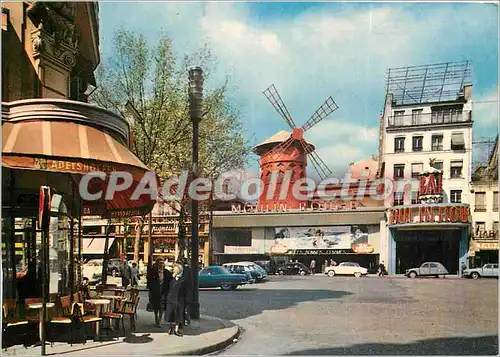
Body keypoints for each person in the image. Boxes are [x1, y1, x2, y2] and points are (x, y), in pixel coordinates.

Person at [147, 258, 172, 327]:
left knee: (162, 306)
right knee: (156, 306)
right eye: (160, 263)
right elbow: (149, 282)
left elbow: (170, 280)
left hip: (163, 291)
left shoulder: (167, 272)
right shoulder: (153, 272)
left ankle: (160, 319)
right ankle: (156, 316)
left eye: (162, 263)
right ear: (157, 264)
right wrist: (150, 291)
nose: (161, 265)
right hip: (155, 291)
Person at [166, 263, 186, 337]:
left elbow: (185, 290)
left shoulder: (183, 279)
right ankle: (171, 328)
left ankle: (177, 330)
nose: (173, 270)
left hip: (179, 299)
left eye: (175, 269)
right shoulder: (171, 278)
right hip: (171, 299)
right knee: (171, 314)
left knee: (178, 315)